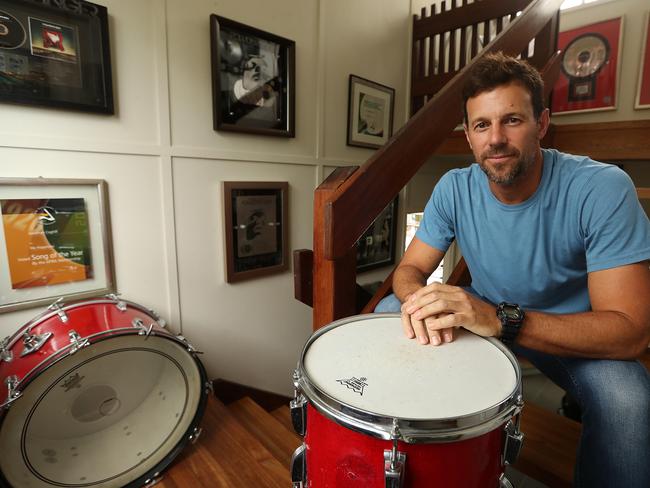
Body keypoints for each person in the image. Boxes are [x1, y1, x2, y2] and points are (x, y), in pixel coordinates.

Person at [375, 52, 650, 488]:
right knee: (388, 307)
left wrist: (500, 320)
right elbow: (408, 271)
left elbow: (631, 331)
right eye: (482, 125)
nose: (496, 139)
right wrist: (420, 298)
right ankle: (410, 455)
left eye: (512, 120)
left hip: (570, 331)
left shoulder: (602, 188)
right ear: (468, 136)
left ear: (541, 124)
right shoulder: (454, 188)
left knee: (629, 399)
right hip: (487, 316)